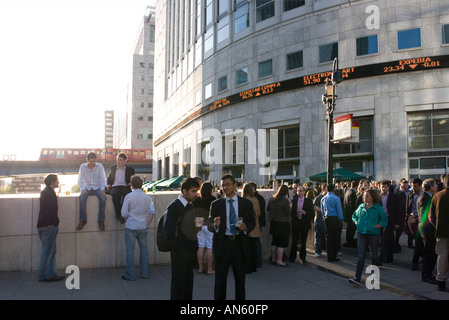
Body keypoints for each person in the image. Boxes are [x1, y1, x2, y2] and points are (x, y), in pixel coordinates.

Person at [208, 174, 255, 300]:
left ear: (234, 185)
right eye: (223, 185)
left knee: (240, 280)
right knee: (220, 280)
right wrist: (215, 225)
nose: (225, 187)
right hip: (223, 244)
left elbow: (252, 221)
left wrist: (246, 227)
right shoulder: (216, 204)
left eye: (228, 184)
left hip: (239, 244)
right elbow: (209, 225)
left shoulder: (246, 203)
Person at [164, 177, 200, 300]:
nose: (196, 194)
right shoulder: (174, 206)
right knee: (178, 287)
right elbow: (168, 233)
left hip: (189, 253)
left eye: (197, 191)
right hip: (180, 254)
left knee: (187, 286)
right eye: (193, 191)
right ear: (184, 191)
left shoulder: (190, 205)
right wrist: (179, 250)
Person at [349, 189, 388, 285]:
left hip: (373, 234)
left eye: (367, 196)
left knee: (374, 255)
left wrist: (375, 226)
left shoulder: (378, 208)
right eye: (364, 196)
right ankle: (357, 277)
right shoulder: (361, 206)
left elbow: (384, 221)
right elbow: (354, 216)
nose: (365, 198)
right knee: (361, 255)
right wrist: (356, 222)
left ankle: (375, 276)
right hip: (361, 233)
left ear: (373, 197)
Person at [120, 175, 155, 281]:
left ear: (131, 185)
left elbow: (123, 213)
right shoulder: (147, 197)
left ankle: (130, 275)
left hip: (131, 226)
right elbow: (152, 212)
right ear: (141, 185)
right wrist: (147, 224)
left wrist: (128, 219)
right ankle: (145, 273)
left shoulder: (129, 196)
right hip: (143, 226)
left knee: (130, 251)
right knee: (144, 250)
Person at [37, 174, 65, 282]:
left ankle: (51, 273)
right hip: (49, 226)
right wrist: (55, 223)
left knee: (51, 251)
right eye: (57, 181)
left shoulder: (44, 192)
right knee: (48, 251)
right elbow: (52, 210)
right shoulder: (50, 193)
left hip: (43, 225)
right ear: (52, 182)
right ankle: (44, 275)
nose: (58, 183)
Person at [77, 152, 107, 231]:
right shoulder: (82, 167)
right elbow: (80, 179)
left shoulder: (100, 166)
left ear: (95, 160)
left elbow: (103, 178)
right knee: (82, 198)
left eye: (94, 161)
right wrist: (83, 188)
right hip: (87, 187)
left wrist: (102, 189)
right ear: (87, 160)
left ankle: (101, 220)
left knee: (103, 198)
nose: (92, 163)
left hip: (97, 187)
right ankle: (83, 220)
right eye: (90, 161)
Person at [429, 175, 449, 291]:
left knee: (442, 257)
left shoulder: (437, 196)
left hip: (441, 231)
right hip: (442, 230)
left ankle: (441, 280)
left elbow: (431, 217)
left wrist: (437, 226)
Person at [417, 178, 438, 284]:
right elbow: (424, 216)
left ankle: (428, 273)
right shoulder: (424, 198)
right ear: (430, 187)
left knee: (431, 253)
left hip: (429, 228)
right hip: (427, 229)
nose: (436, 187)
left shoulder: (429, 197)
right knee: (429, 252)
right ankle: (426, 275)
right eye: (435, 185)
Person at [193, 181, 216, 275]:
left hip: (199, 224)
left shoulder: (197, 200)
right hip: (209, 224)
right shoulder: (213, 199)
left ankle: (200, 268)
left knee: (201, 247)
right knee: (210, 247)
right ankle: (210, 269)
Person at [267, 184, 292, 267]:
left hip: (274, 223)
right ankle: (279, 260)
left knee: (274, 241)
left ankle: (273, 259)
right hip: (283, 223)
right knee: (281, 243)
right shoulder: (284, 200)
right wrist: (290, 207)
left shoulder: (272, 199)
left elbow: (268, 209)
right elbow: (288, 212)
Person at [107, 152, 135, 224]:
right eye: (118, 160)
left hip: (125, 186)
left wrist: (131, 182)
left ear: (125, 161)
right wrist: (108, 184)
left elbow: (133, 178)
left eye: (120, 160)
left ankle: (122, 213)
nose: (118, 162)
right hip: (115, 186)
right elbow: (109, 178)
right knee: (115, 195)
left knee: (128, 195)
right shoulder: (113, 168)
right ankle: (118, 214)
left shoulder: (130, 170)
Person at [289, 185, 314, 264]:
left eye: (300, 191)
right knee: (295, 240)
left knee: (303, 241)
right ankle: (293, 257)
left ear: (304, 192)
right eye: (298, 191)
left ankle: (303, 257)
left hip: (304, 223)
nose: (299, 192)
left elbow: (312, 213)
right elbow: (292, 213)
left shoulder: (308, 201)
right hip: (296, 222)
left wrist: (305, 212)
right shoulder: (294, 200)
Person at [378, 180, 401, 264]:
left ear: (388, 187)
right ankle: (389, 257)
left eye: (385, 187)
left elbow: (398, 210)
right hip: (380, 219)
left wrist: (397, 222)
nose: (383, 188)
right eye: (382, 187)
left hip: (389, 219)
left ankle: (381, 257)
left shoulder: (394, 196)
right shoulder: (378, 196)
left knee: (384, 239)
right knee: (388, 239)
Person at [321, 184, 344, 262]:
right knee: (335, 237)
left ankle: (329, 256)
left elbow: (322, 211)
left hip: (327, 218)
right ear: (333, 189)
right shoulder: (336, 198)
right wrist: (341, 218)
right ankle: (334, 255)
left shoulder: (323, 199)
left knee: (329, 238)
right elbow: (339, 210)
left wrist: (324, 218)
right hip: (335, 218)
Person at [242, 183, 261, 273]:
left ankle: (248, 267)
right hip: (256, 224)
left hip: (247, 225)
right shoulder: (256, 199)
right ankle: (254, 266)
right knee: (254, 247)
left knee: (247, 248)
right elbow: (259, 213)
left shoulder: (245, 200)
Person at [249, 182, 265, 268]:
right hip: (257, 223)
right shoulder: (258, 198)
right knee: (256, 243)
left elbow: (258, 213)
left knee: (255, 243)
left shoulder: (256, 198)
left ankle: (256, 261)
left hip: (256, 223)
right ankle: (257, 261)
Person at [406, 178, 423, 255]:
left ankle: (420, 256)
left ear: (420, 186)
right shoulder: (410, 194)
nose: (414, 188)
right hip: (412, 218)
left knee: (419, 240)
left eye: (415, 186)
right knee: (415, 238)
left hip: (421, 219)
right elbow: (407, 206)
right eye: (412, 186)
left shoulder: (424, 195)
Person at [394, 178, 409, 252]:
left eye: (406, 185)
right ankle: (396, 243)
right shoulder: (397, 192)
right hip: (398, 214)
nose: (405, 187)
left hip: (405, 213)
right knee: (398, 230)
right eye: (403, 185)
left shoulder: (408, 192)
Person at [343, 181, 358, 248]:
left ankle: (348, 241)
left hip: (347, 213)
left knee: (349, 229)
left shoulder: (347, 192)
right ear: (356, 186)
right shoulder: (352, 193)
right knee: (351, 229)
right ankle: (350, 241)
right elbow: (353, 205)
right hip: (351, 214)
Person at [313, 184, 327, 257]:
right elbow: (315, 207)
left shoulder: (328, 197)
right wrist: (323, 210)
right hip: (319, 219)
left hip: (326, 220)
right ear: (323, 190)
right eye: (326, 190)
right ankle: (318, 251)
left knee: (326, 236)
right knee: (318, 236)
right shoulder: (318, 198)